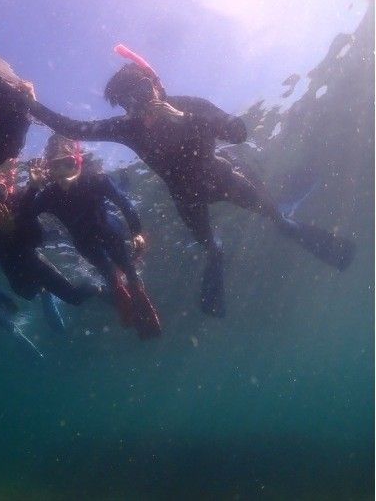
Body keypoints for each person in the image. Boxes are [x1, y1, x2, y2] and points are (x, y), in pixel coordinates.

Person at [27, 49, 355, 316]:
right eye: (129, 103)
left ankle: (297, 231)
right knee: (211, 247)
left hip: (223, 178)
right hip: (187, 198)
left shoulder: (189, 106)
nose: (140, 107)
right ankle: (217, 257)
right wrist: (28, 103)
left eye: (142, 93)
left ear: (155, 85)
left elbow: (239, 132)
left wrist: (184, 118)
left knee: (278, 219)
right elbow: (72, 128)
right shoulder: (128, 128)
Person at [22, 135, 161, 339]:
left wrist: (136, 232)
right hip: (86, 244)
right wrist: (33, 187)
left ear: (79, 162)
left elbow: (124, 202)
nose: (62, 171)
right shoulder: (49, 195)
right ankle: (130, 311)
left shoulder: (96, 180)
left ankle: (142, 309)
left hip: (111, 233)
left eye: (68, 163)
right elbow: (25, 216)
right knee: (110, 277)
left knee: (129, 271)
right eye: (55, 166)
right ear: (49, 170)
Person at [0, 166, 102, 319]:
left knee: (74, 297)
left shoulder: (17, 206)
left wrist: (14, 227)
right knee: (33, 293)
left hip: (33, 267)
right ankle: (46, 292)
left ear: (7, 193)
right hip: (20, 281)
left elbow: (37, 239)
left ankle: (100, 287)